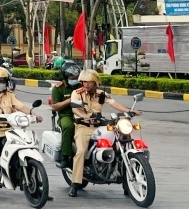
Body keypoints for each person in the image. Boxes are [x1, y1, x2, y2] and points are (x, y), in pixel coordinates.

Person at [0, 65, 42, 201]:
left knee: (26, 145)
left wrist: (34, 114)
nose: (2, 84)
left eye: (4, 81)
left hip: (9, 129)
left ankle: (39, 185)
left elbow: (20, 106)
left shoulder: (9, 94)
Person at [69, 69, 140, 197]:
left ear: (96, 82)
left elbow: (114, 104)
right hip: (84, 126)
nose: (86, 84)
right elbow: (75, 109)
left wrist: (129, 111)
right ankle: (75, 183)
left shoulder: (102, 94)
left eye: (89, 82)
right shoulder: (77, 93)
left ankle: (125, 182)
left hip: (100, 125)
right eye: (84, 82)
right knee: (80, 152)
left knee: (120, 145)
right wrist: (85, 116)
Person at [50, 60, 81, 169]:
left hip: (82, 114)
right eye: (72, 78)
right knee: (68, 126)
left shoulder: (82, 86)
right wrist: (69, 100)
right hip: (66, 115)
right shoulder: (58, 88)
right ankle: (65, 156)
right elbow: (55, 106)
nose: (74, 80)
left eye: (76, 78)